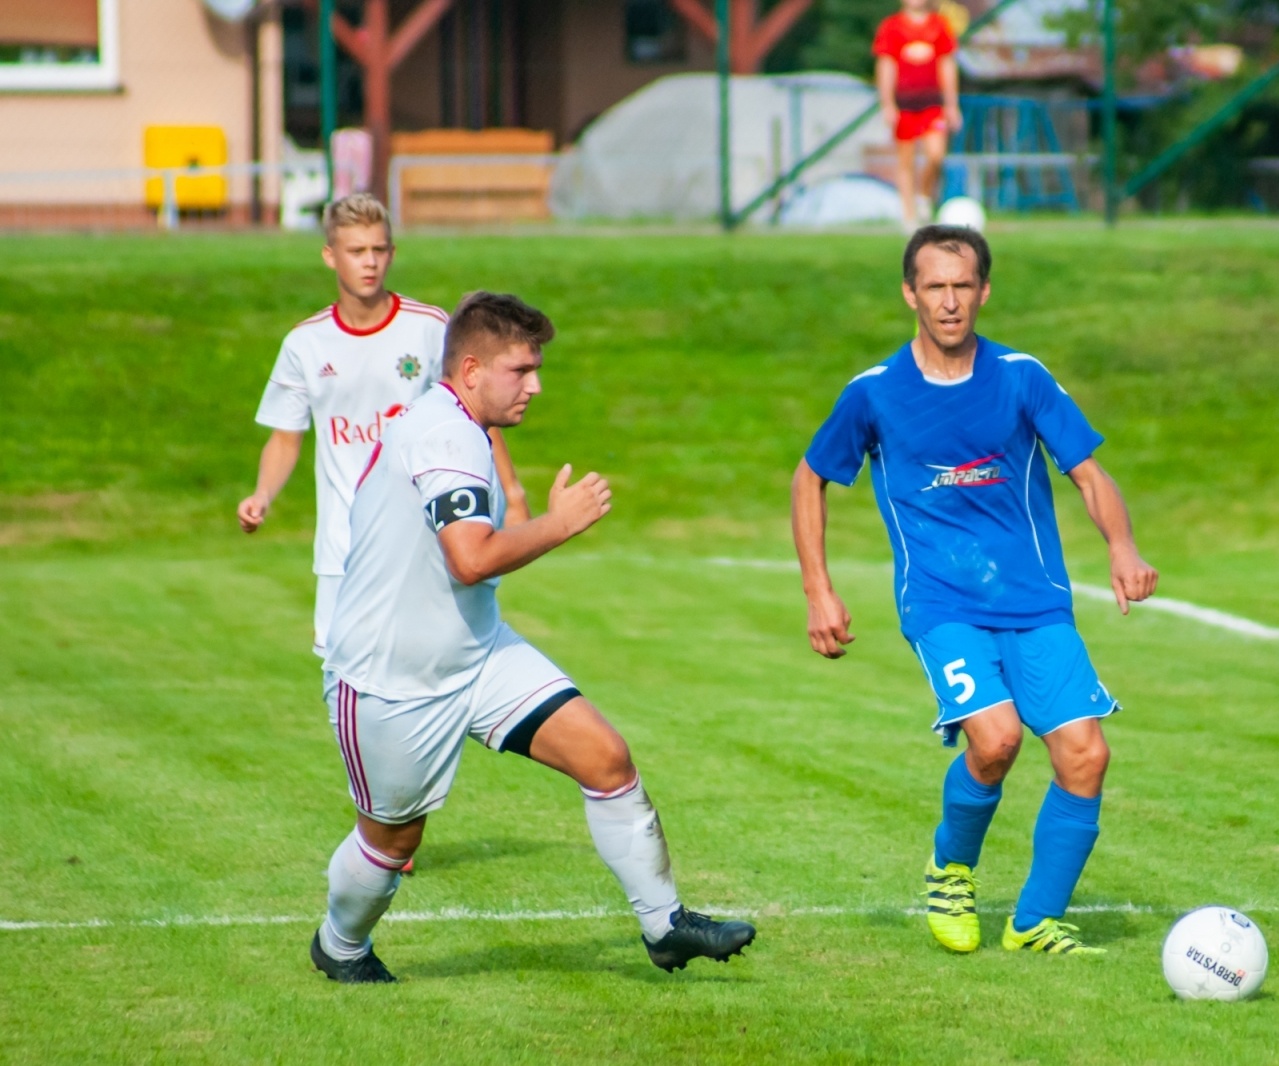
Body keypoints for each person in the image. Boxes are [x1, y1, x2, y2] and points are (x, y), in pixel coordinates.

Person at [310, 291, 756, 983]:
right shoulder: (443, 435)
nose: (535, 385)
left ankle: (665, 926)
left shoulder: (463, 427)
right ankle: (340, 946)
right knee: (393, 839)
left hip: (477, 651)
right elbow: (471, 559)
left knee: (606, 758)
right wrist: (560, 523)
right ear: (470, 370)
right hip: (389, 677)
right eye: (521, 370)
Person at [791, 226, 1158, 956]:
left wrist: (1122, 547)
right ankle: (951, 869)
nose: (950, 301)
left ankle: (1035, 922)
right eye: (935, 286)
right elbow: (810, 478)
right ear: (910, 294)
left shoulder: (1021, 376)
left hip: (1036, 601)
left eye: (963, 286)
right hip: (941, 602)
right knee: (996, 741)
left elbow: (1087, 473)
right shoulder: (875, 392)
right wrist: (818, 591)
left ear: (984, 291)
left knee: (1086, 755)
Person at [239, 192, 527, 660]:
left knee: (437, 667)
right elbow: (286, 438)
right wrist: (262, 495)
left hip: (421, 542)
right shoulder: (305, 344)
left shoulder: (430, 328)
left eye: (378, 249)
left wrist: (512, 495)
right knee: (344, 675)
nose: (369, 262)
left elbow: (475, 416)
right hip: (343, 547)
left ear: (392, 252)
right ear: (330, 256)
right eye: (357, 251)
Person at [874, 0, 963, 231]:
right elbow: (886, 65)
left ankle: (924, 196)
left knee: (936, 155)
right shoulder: (891, 27)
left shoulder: (939, 25)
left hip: (932, 103)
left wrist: (951, 104)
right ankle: (909, 217)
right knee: (906, 161)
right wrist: (887, 104)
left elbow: (947, 64)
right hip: (904, 104)